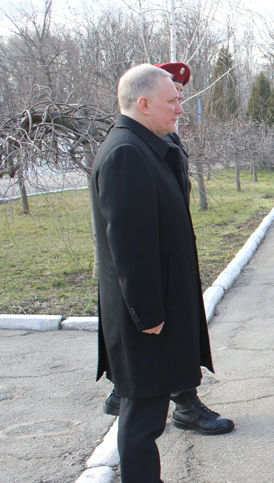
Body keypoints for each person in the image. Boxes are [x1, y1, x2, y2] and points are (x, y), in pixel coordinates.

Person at [91, 64, 222, 482]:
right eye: (173, 100)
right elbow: (129, 246)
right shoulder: (127, 153)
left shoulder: (144, 145)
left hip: (154, 308)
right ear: (143, 104)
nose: (180, 108)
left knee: (146, 410)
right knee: (143, 415)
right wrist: (148, 314)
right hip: (144, 317)